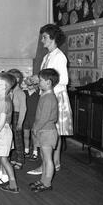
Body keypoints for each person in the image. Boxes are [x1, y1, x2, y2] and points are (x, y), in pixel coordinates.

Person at [28, 24, 73, 175]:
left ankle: (52, 163)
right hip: (46, 95)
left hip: (56, 97)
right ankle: (50, 163)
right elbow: (45, 78)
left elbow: (64, 80)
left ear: (53, 38)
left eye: (45, 37)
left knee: (54, 131)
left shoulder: (59, 56)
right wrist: (35, 81)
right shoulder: (47, 56)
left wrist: (43, 81)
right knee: (47, 130)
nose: (42, 40)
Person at [29, 69, 59, 192]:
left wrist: (35, 128)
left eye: (40, 80)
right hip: (44, 131)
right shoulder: (45, 95)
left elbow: (45, 117)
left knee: (47, 159)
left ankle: (47, 183)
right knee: (44, 159)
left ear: (48, 82)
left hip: (47, 132)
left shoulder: (49, 98)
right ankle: (43, 180)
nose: (39, 82)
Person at [8, 69, 27, 170]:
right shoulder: (10, 92)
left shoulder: (20, 93)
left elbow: (23, 109)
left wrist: (20, 123)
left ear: (18, 79)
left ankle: (20, 159)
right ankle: (14, 157)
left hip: (17, 116)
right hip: (10, 116)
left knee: (18, 139)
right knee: (11, 139)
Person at [23, 75, 40, 161]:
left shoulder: (38, 94)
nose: (29, 87)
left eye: (31, 85)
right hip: (25, 117)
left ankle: (35, 152)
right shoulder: (24, 93)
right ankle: (26, 150)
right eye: (28, 85)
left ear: (35, 85)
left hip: (34, 118)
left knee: (34, 136)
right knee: (26, 135)